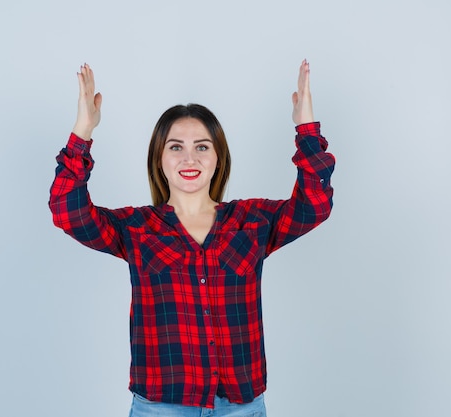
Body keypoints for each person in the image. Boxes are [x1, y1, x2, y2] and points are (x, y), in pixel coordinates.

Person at [49, 61, 335, 417]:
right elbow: (66, 210)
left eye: (202, 147)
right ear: (160, 157)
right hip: (161, 407)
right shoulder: (137, 228)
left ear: (218, 157)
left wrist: (305, 128)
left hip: (241, 407)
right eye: (175, 147)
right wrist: (83, 130)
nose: (189, 157)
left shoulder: (252, 222)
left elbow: (315, 205)